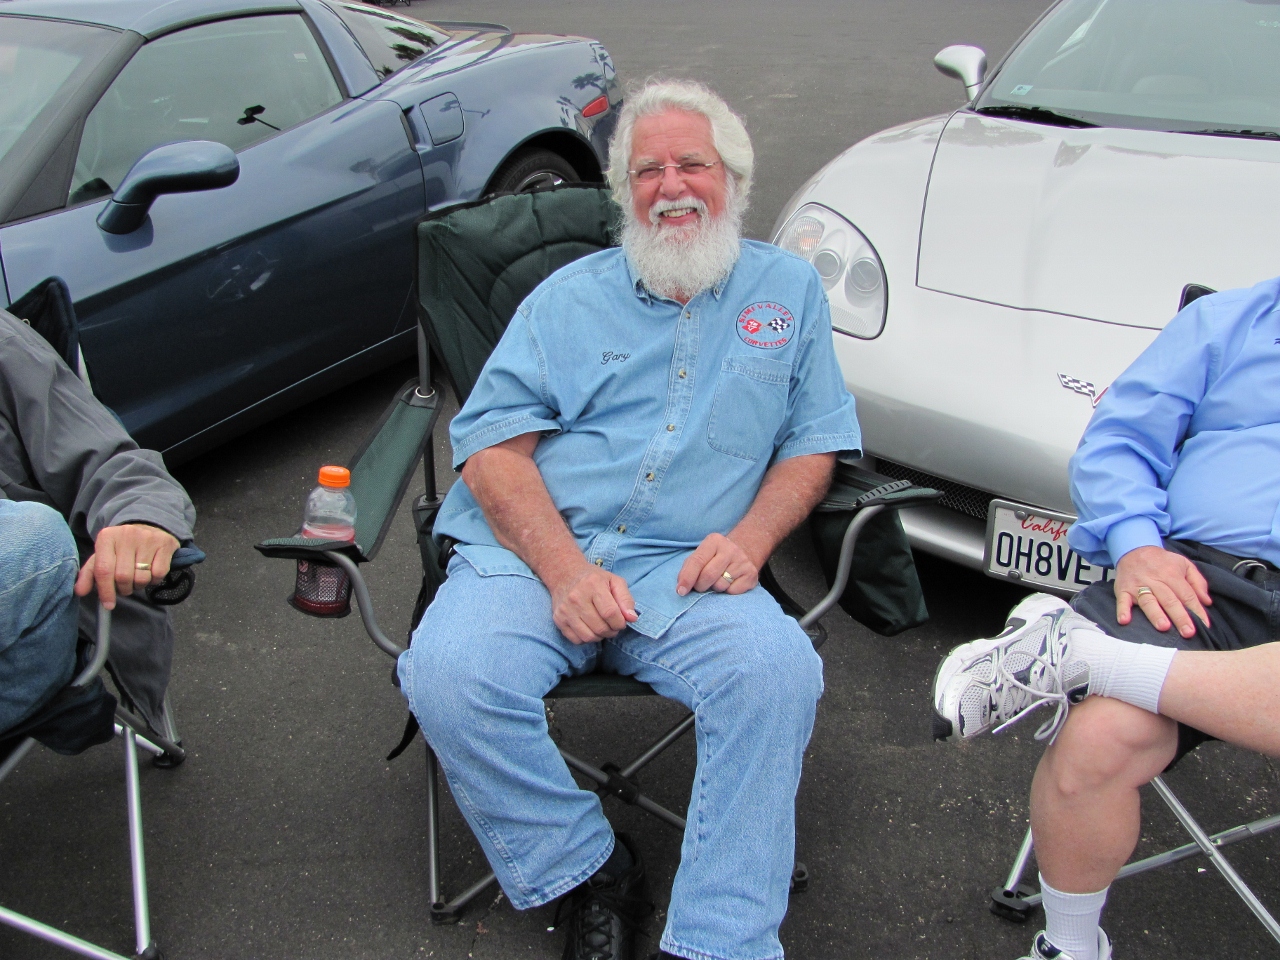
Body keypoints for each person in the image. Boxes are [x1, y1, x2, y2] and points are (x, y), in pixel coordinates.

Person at [398, 79, 861, 960]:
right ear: (624, 192)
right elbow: (491, 450)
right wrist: (566, 573)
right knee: (449, 674)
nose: (671, 186)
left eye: (693, 164)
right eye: (648, 171)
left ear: (733, 180)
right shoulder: (565, 300)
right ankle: (590, 867)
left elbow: (814, 443)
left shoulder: (789, 293)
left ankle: (722, 939)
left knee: (776, 673)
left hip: (687, 568)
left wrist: (754, 541)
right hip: (534, 557)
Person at [931, 276, 1280, 960]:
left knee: (1103, 694)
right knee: (1098, 742)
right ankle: (1069, 947)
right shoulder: (1227, 322)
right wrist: (1138, 545)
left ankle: (1083, 657)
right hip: (1199, 583)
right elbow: (1118, 440)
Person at [0, 304, 195, 738]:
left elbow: (109, 461)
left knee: (41, 538)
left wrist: (143, 517)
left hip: (24, 638)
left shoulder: (6, 346)